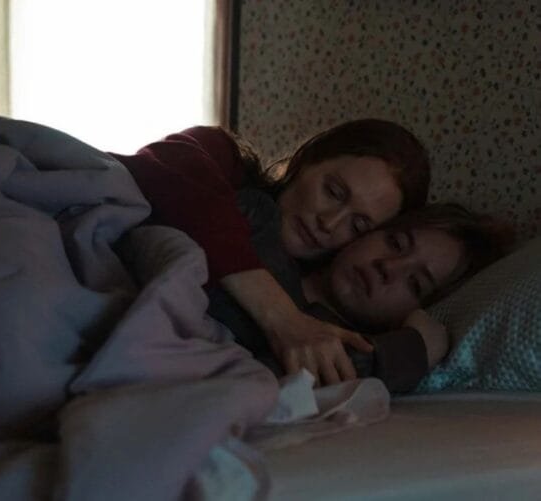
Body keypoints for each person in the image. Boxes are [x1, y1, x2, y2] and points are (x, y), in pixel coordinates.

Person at [109, 120, 432, 383]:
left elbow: (324, 364)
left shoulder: (312, 310)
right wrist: (283, 318)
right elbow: (165, 166)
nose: (330, 223)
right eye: (333, 192)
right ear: (307, 161)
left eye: (358, 225)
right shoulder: (224, 160)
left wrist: (420, 346)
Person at [208, 202, 513, 391]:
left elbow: (231, 388)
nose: (388, 267)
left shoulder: (352, 353)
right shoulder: (262, 226)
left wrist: (405, 351)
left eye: (415, 283)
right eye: (396, 243)